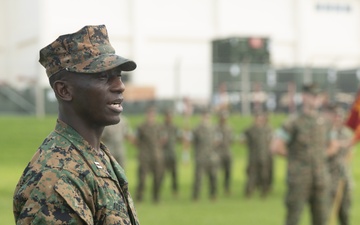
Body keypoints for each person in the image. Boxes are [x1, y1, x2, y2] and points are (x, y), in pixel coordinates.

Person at [13, 25, 140, 225]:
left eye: (119, 75)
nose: (119, 86)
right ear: (64, 90)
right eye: (102, 76)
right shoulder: (56, 178)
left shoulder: (95, 155)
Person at [271, 83, 337, 225]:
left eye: (318, 96)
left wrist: (321, 156)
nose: (315, 99)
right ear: (304, 97)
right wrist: (295, 158)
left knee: (321, 219)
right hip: (299, 179)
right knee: (293, 218)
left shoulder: (325, 122)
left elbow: (333, 145)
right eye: (312, 95)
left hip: (320, 179)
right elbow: (276, 146)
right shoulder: (293, 122)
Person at [323, 105, 353, 225]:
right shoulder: (324, 132)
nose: (338, 119)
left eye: (341, 116)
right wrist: (337, 145)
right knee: (325, 212)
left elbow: (349, 149)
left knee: (344, 212)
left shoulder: (346, 133)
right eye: (336, 116)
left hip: (343, 177)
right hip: (328, 177)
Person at [135, 106, 164, 203]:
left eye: (153, 115)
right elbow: (136, 140)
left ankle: (156, 197)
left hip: (156, 155)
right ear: (146, 115)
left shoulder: (159, 127)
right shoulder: (141, 127)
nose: (151, 116)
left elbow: (163, 139)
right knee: (142, 178)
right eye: (150, 114)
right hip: (145, 156)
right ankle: (139, 196)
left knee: (157, 177)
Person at [243, 111, 273, 198]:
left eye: (261, 119)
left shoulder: (267, 129)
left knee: (264, 175)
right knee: (251, 175)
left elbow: (271, 140)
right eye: (257, 119)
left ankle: (264, 192)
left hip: (264, 156)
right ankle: (249, 192)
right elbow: (243, 139)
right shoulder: (250, 130)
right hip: (253, 156)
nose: (259, 120)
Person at [192, 109, 219, 201]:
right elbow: (193, 142)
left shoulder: (214, 129)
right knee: (198, 178)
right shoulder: (197, 129)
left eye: (208, 117)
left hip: (211, 157)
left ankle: (213, 195)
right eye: (204, 117)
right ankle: (196, 196)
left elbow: (217, 142)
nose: (206, 119)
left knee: (213, 177)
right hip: (200, 156)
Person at [160, 109, 180, 196]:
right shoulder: (161, 127)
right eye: (168, 116)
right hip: (164, 154)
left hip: (172, 153)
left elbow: (179, 138)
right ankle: (158, 190)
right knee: (161, 173)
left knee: (174, 173)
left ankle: (175, 190)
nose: (169, 118)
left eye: (171, 116)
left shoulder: (174, 127)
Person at [214, 111, 233, 195]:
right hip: (218, 153)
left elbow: (231, 140)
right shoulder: (215, 128)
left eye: (225, 117)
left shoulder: (229, 128)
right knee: (216, 172)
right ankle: (215, 189)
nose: (223, 119)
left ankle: (227, 188)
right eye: (222, 117)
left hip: (227, 152)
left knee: (228, 172)